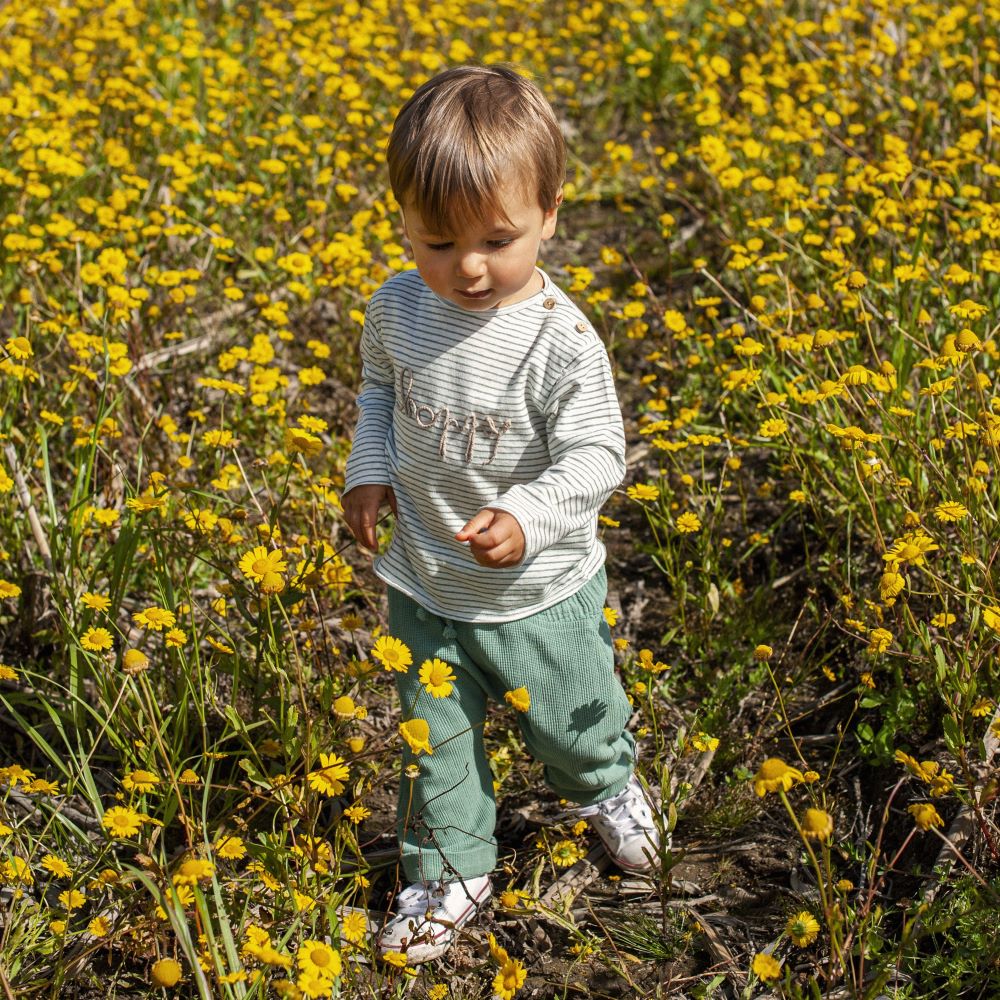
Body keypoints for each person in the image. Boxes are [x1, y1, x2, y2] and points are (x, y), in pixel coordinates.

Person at [342, 64, 662, 964]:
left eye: (497, 238)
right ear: (401, 217)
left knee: (571, 721)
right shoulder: (398, 309)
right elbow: (378, 393)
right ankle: (449, 867)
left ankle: (604, 787)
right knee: (431, 740)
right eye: (437, 241)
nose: (469, 268)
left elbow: (600, 456)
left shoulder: (560, 339)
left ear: (551, 213)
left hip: (540, 590)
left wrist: (527, 512)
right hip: (427, 586)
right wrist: (371, 471)